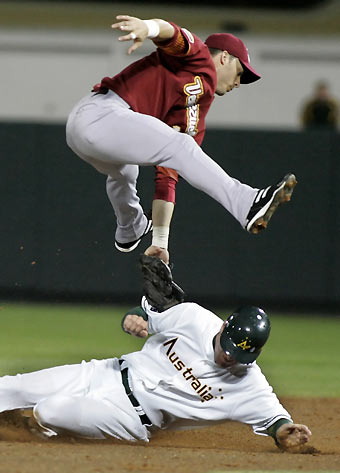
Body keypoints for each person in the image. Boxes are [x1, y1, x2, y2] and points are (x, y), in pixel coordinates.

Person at [66, 15, 297, 263]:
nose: (239, 83)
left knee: (125, 172)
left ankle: (130, 229)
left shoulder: (195, 108)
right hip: (101, 112)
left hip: (97, 132)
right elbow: (171, 33)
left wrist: (160, 242)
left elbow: (168, 176)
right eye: (240, 72)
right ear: (224, 57)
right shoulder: (198, 57)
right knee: (175, 148)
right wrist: (148, 27)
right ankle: (245, 201)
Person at [0, 300, 311, 449]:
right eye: (229, 347)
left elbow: (275, 419)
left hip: (129, 418)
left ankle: (38, 432)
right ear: (224, 327)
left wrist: (283, 431)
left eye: (241, 355)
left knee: (51, 409)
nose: (230, 356)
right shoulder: (193, 317)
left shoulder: (248, 383)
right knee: (10, 388)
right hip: (103, 371)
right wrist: (133, 319)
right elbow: (145, 315)